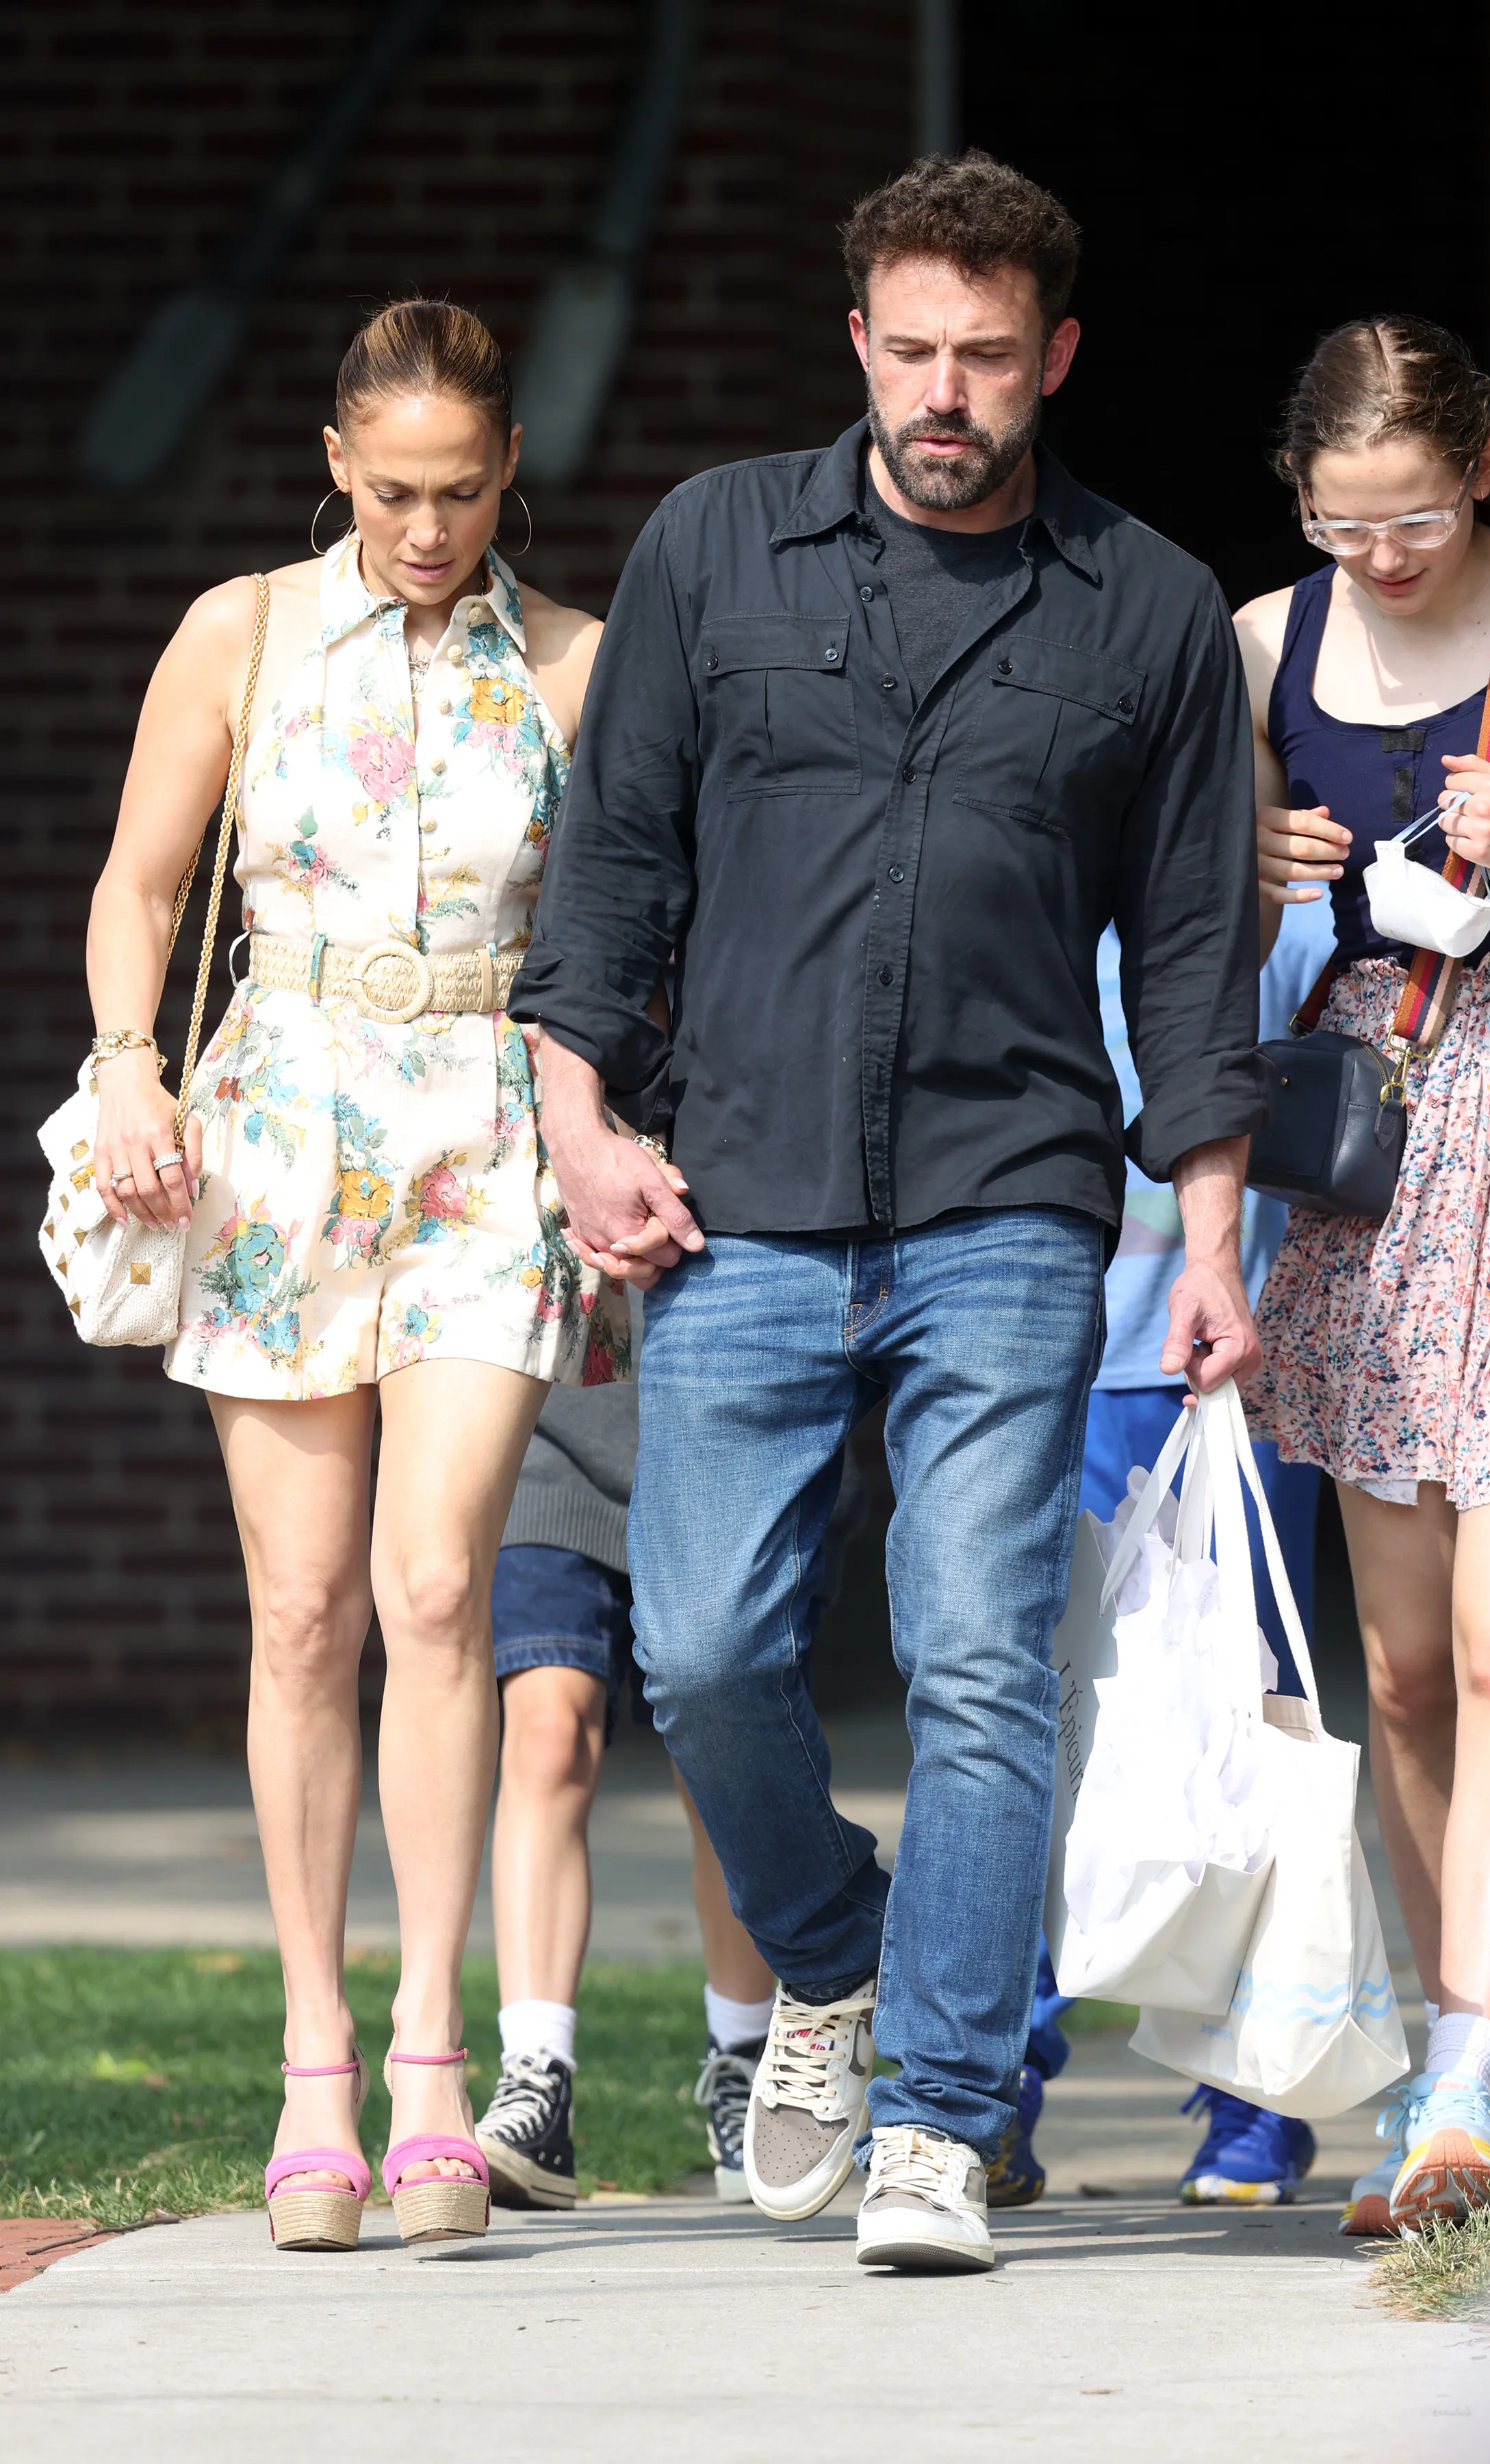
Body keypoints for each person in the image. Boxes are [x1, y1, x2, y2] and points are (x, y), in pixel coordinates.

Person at [511, 150, 1269, 2276]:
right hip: (734, 1193)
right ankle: (834, 1950)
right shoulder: (711, 552)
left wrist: (1206, 1241)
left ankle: (941, 2115)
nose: (949, 394)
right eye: (914, 351)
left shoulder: (1148, 610)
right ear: (860, 340)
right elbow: (612, 871)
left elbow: (1199, 960)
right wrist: (581, 1123)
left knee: (974, 1659)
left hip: (1012, 1203)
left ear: (1058, 360)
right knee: (704, 1648)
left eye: (990, 360)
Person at [85, 299, 626, 2252]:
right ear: (336, 465)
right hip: (282, 1134)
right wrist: (131, 1064)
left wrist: (608, 1135)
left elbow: (626, 927)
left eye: (463, 491)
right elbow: (143, 884)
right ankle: (312, 2059)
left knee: (434, 1585)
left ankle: (429, 2066)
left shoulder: (570, 659)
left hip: (485, 1136)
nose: (426, 527)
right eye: (393, 491)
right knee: (305, 1611)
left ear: (509, 475)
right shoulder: (242, 631)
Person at [1239, 316, 1490, 2233]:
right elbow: (1157, 910)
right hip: (1373, 1154)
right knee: (1404, 1671)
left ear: (1479, 464)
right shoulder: (1262, 646)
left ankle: (1467, 2088)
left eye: (1408, 518)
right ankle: (1453, 2047)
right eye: (1339, 529)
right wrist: (1247, 866)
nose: (1378, 560)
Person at [990, 898, 1336, 2213]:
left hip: (1235, 1388)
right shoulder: (1046, 879)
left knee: (1241, 1730)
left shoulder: (1307, 917)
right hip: (1039, 1367)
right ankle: (995, 2075)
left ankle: (1256, 2091)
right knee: (1024, 1718)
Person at [472, 1300, 866, 2208]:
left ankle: (745, 2060)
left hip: (738, 1412)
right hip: (550, 1402)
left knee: (721, 1748)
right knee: (548, 1731)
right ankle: (537, 2077)